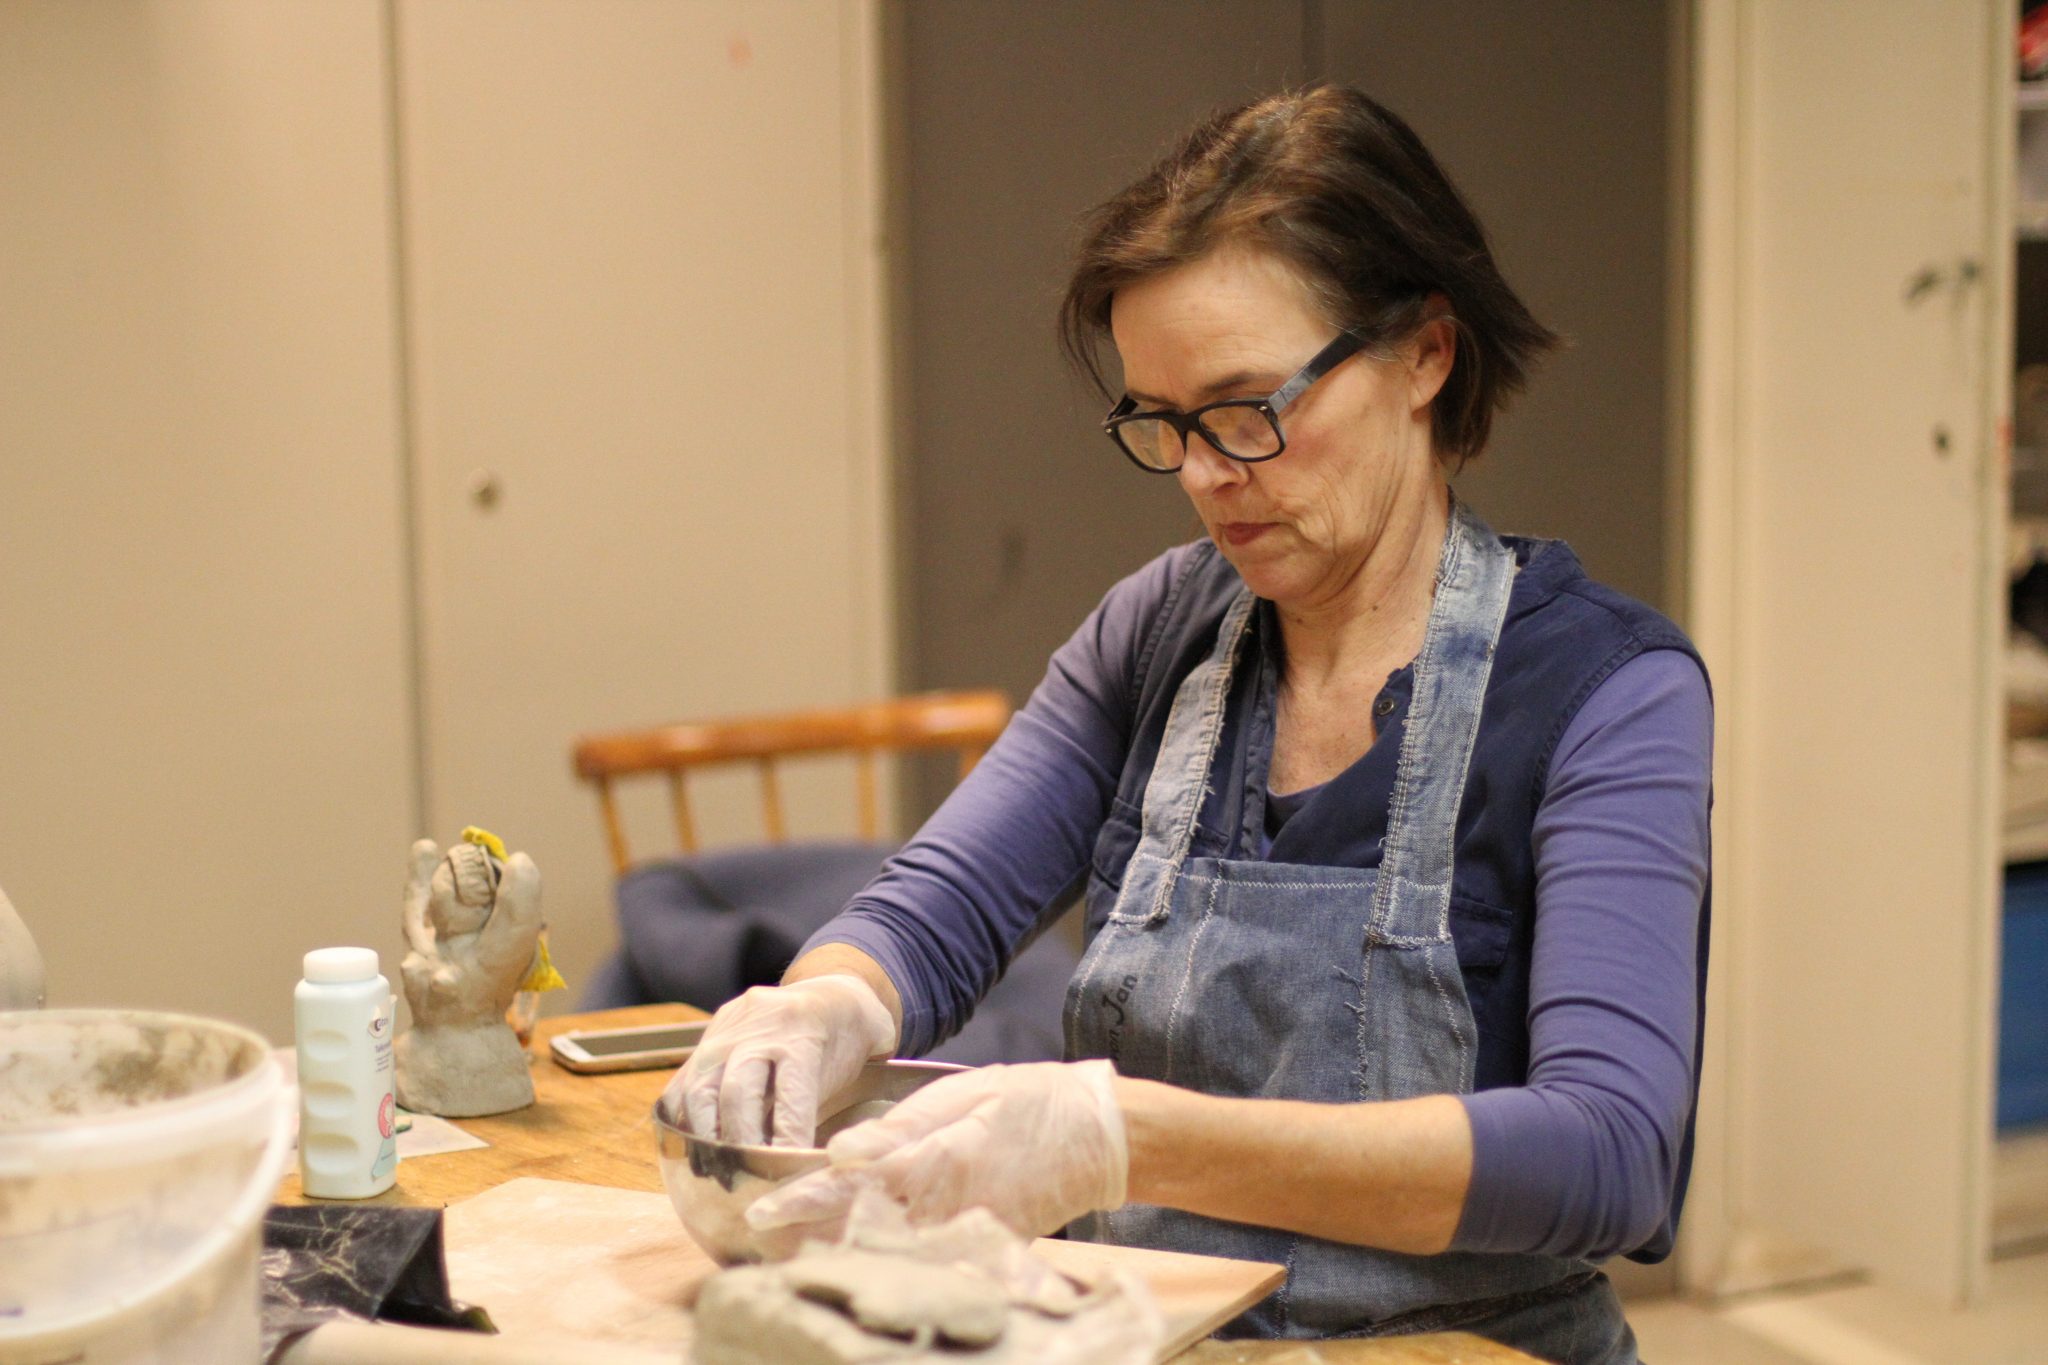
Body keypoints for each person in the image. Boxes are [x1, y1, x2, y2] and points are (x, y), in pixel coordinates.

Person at [667, 85, 1710, 1363]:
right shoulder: (1159, 630)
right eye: (1160, 423)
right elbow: (939, 908)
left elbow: (1611, 1154)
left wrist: (1124, 1139)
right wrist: (827, 1003)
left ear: (1425, 355)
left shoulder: (1606, 691)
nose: (1206, 474)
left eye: (1246, 407)